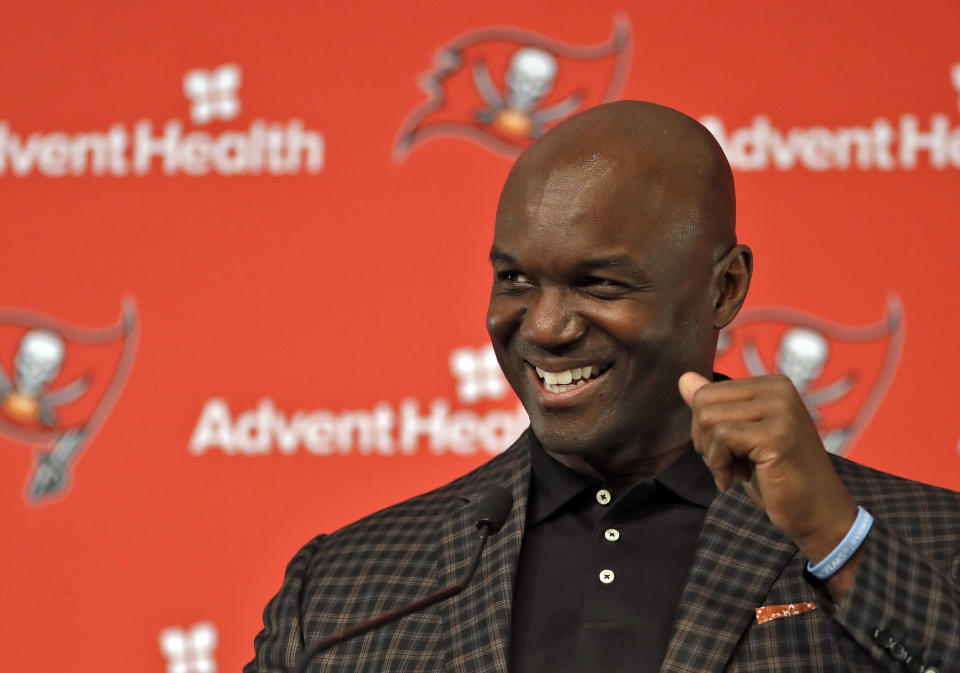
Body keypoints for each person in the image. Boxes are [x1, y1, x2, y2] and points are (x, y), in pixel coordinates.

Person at [245, 101, 959, 673]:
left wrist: (839, 542)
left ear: (725, 288)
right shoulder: (344, 586)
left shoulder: (934, 542)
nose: (547, 326)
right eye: (516, 279)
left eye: (600, 283)